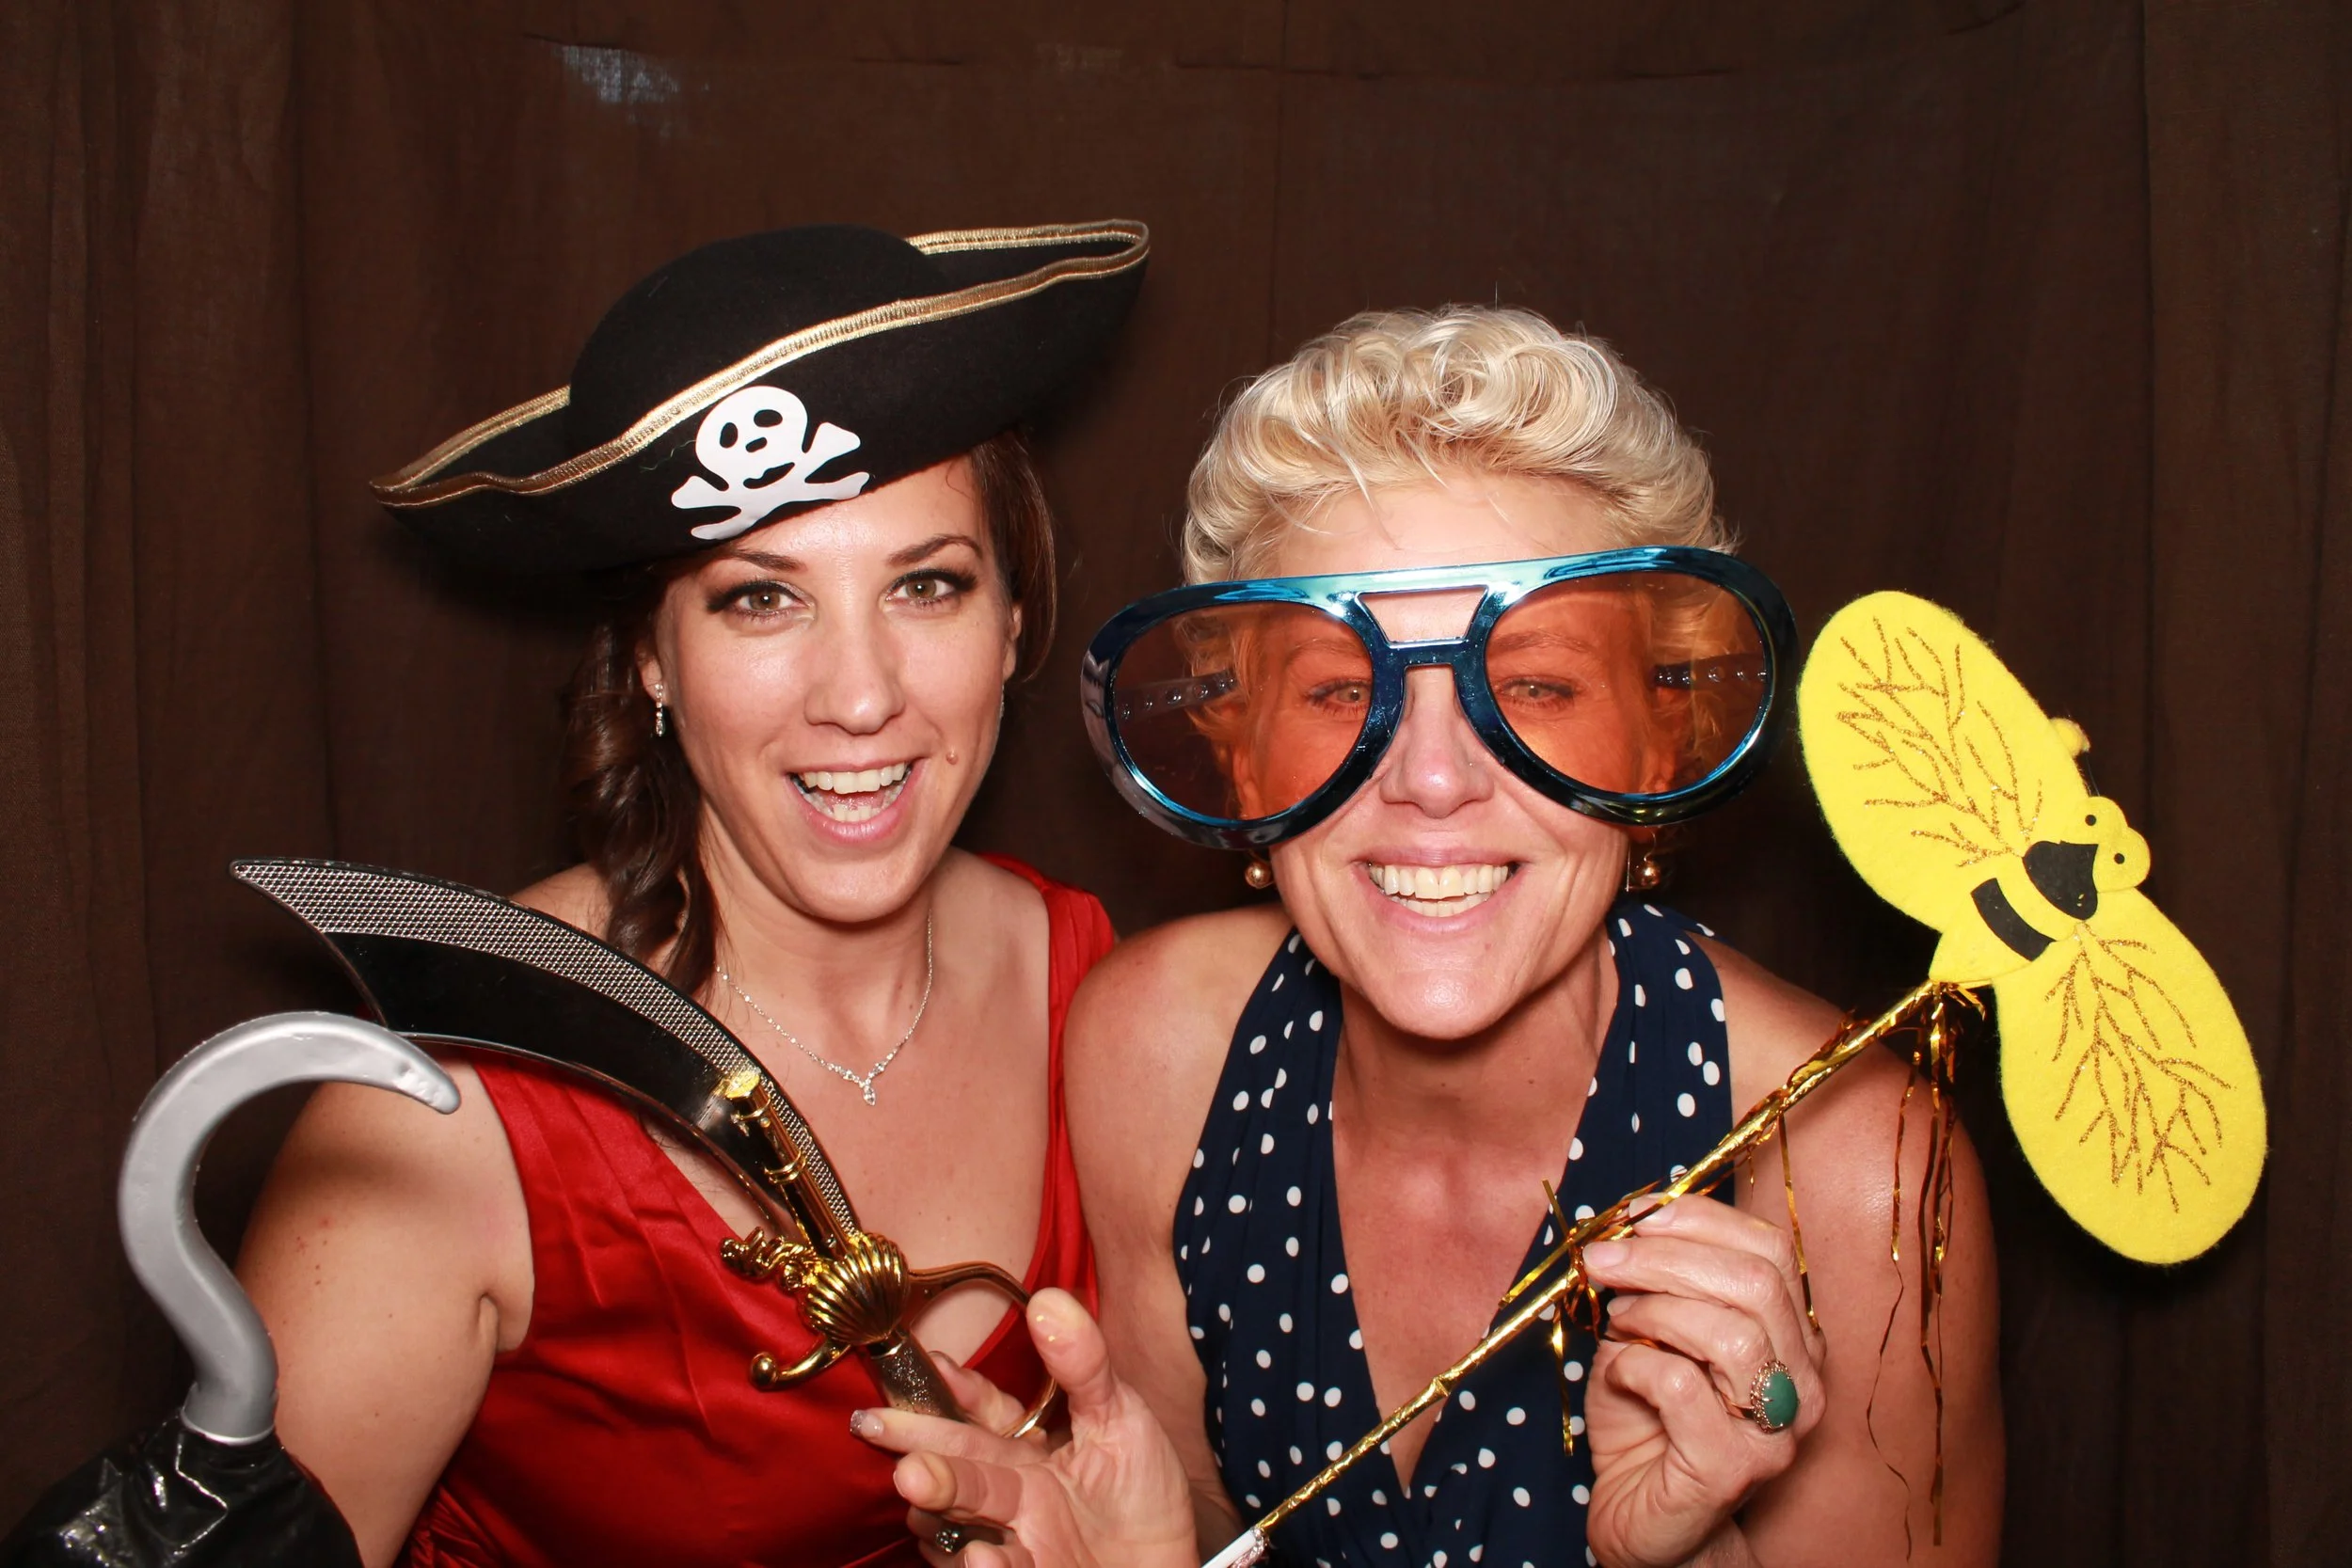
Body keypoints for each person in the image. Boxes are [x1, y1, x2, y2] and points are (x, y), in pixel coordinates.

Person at [855, 307, 2002, 1568]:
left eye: (1536, 687)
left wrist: (1681, 1552)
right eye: (1344, 690)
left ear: (1656, 742)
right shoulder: (1159, 1051)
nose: (1436, 779)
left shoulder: (1854, 1171)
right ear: (1242, 761)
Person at [232, 220, 1147, 1567]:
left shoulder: (1106, 988)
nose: (859, 694)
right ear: (650, 659)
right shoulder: (447, 1110)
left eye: (928, 584)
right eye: (760, 600)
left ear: (1014, 621)